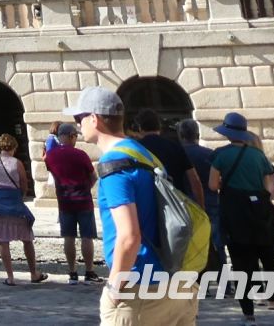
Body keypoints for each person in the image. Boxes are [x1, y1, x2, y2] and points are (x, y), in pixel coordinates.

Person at [68, 87, 196, 326]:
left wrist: (114, 288)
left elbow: (129, 237)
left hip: (140, 288)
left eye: (79, 118)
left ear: (94, 119)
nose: (77, 125)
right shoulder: (144, 155)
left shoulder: (114, 165)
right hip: (177, 281)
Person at [208, 112, 274, 325]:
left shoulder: (220, 154)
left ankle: (248, 315)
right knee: (272, 264)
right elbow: (268, 183)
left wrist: (227, 187)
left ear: (227, 132)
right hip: (261, 215)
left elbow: (212, 185)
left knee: (241, 266)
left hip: (235, 216)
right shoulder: (258, 155)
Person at [0, 133, 46, 286]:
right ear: (14, 147)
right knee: (27, 238)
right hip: (14, 201)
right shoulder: (17, 163)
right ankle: (33, 273)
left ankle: (10, 277)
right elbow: (23, 182)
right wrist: (21, 196)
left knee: (3, 241)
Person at [44, 122, 99, 284]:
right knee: (87, 237)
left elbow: (53, 173)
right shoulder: (80, 154)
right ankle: (89, 272)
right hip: (83, 200)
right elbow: (93, 176)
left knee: (68, 237)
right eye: (75, 136)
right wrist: (85, 187)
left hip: (64, 201)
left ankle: (72, 273)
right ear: (71, 136)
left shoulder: (51, 156)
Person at [133, 109, 203, 205]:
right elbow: (194, 179)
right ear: (159, 127)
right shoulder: (175, 146)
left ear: (140, 128)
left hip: (147, 203)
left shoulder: (135, 148)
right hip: (176, 203)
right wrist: (201, 207)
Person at [177, 119, 221, 257]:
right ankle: (221, 274)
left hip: (185, 204)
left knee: (191, 245)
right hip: (211, 201)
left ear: (181, 136)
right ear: (197, 134)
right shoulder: (210, 154)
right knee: (216, 242)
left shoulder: (177, 153)